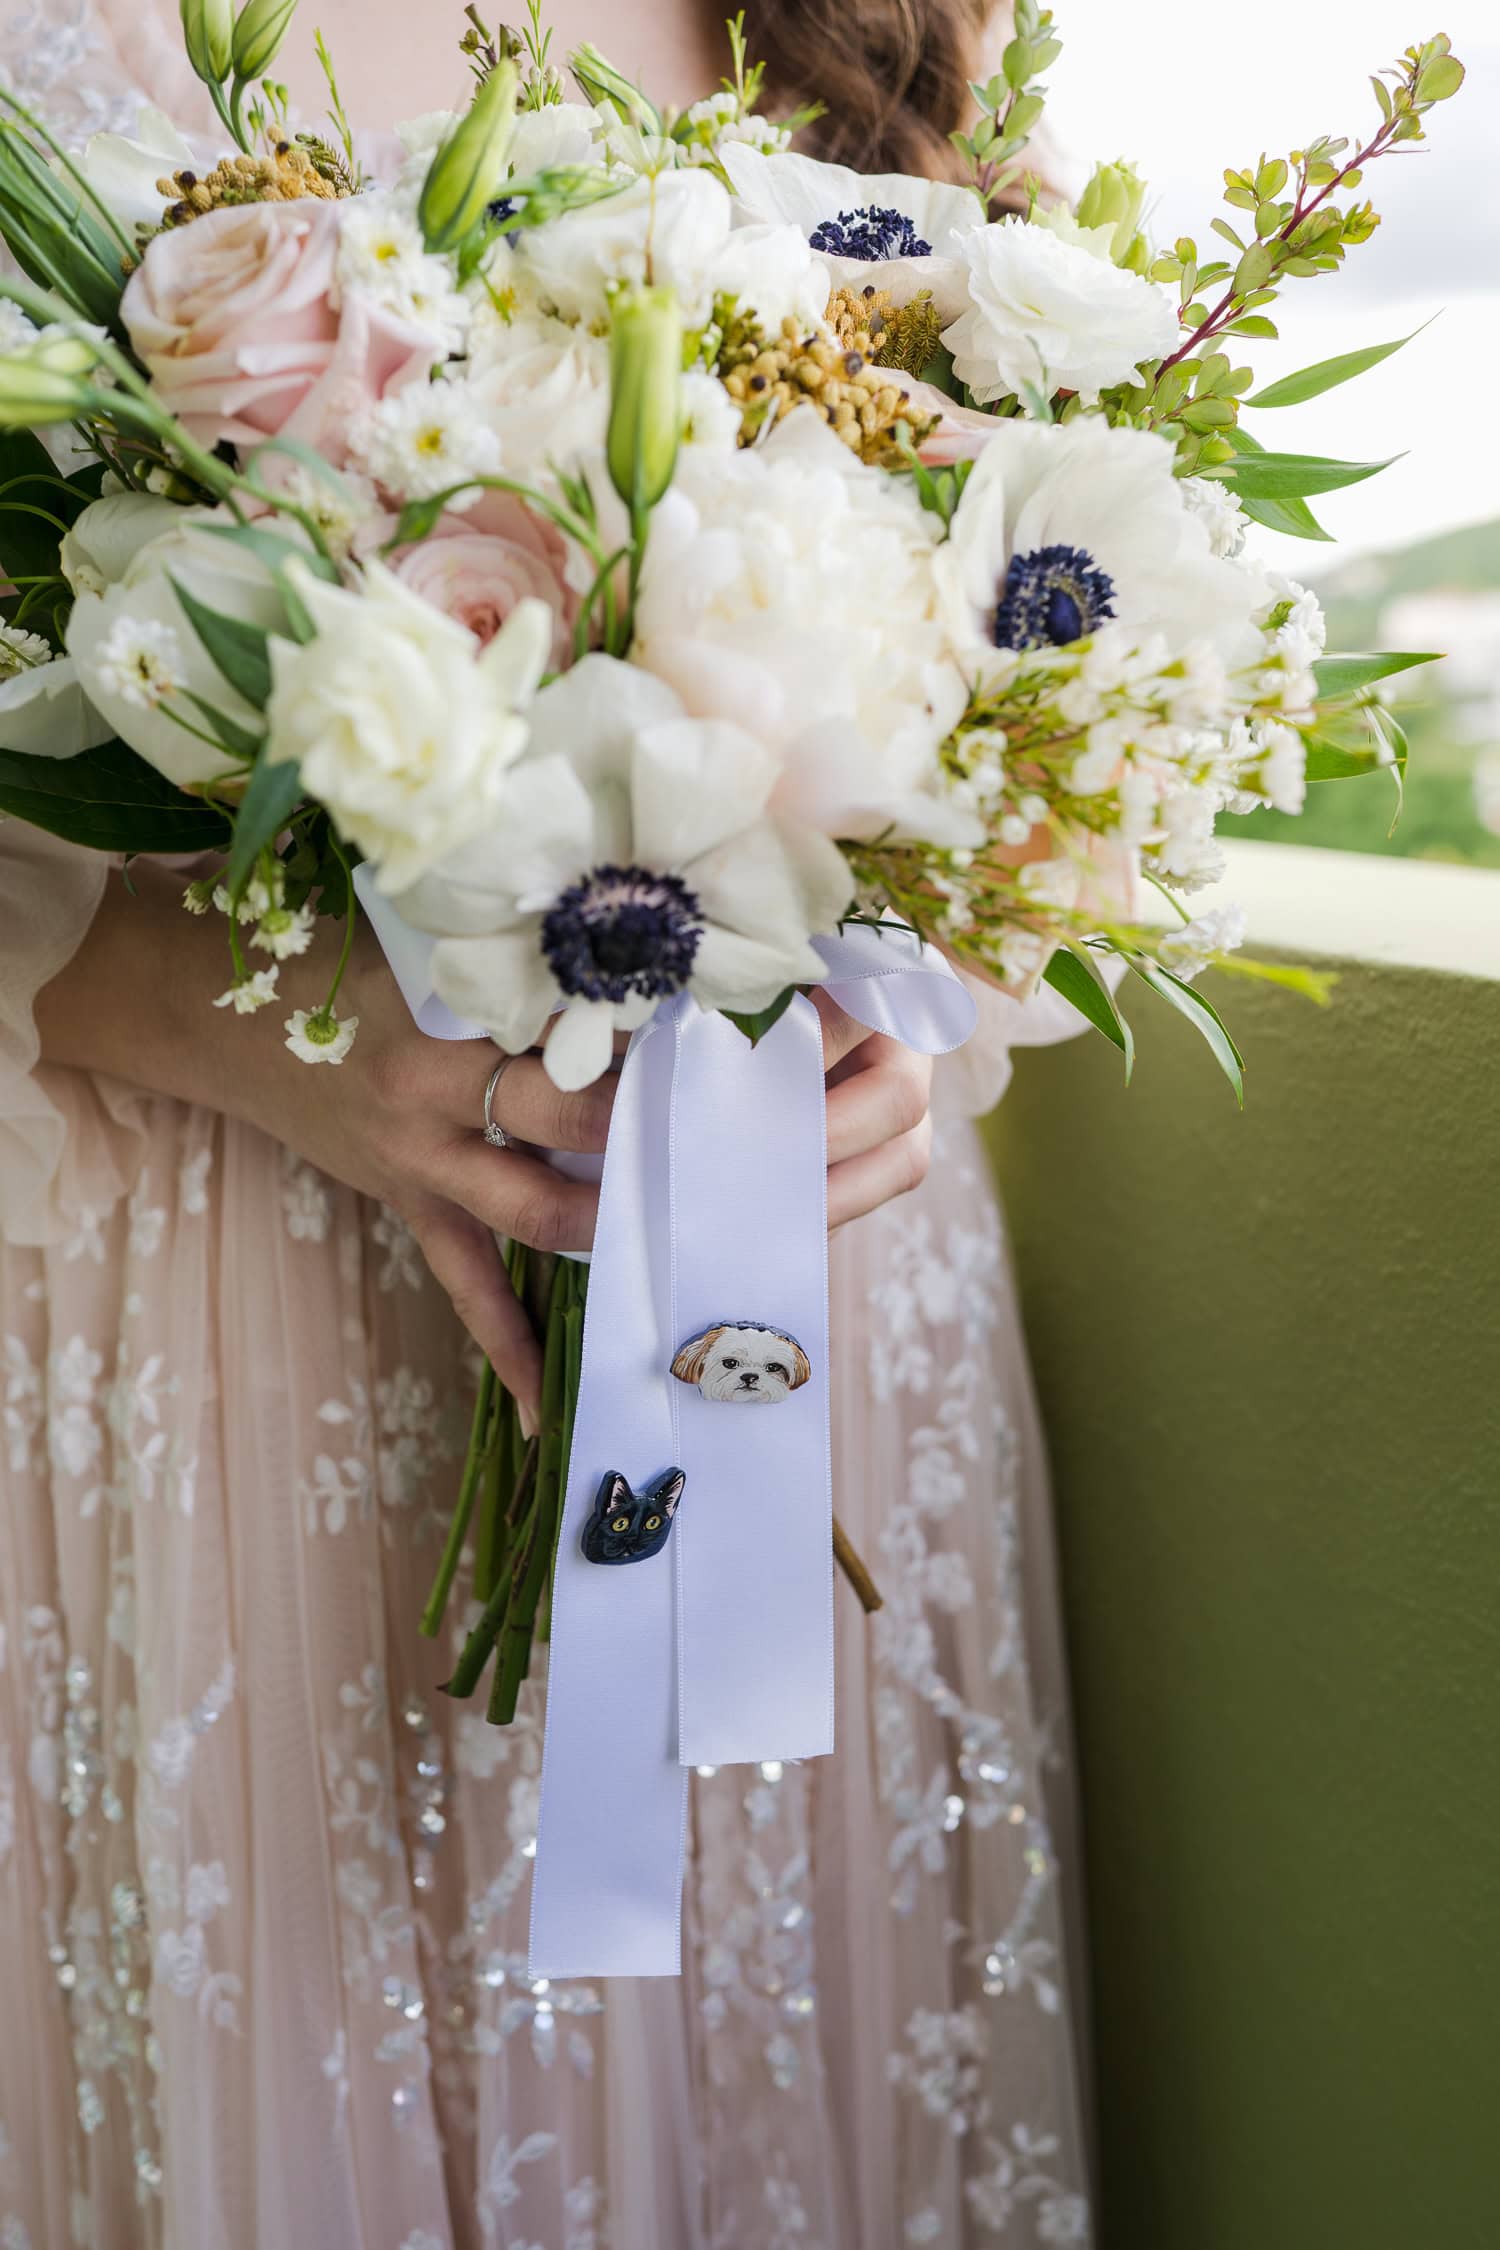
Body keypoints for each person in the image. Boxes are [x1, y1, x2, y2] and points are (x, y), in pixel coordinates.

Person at [0, 3, 1093, 2242]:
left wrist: (914, 1009)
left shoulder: (871, 24)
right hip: (205, 1335)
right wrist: (229, 1001)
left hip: (808, 1304)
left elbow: (1062, 651)